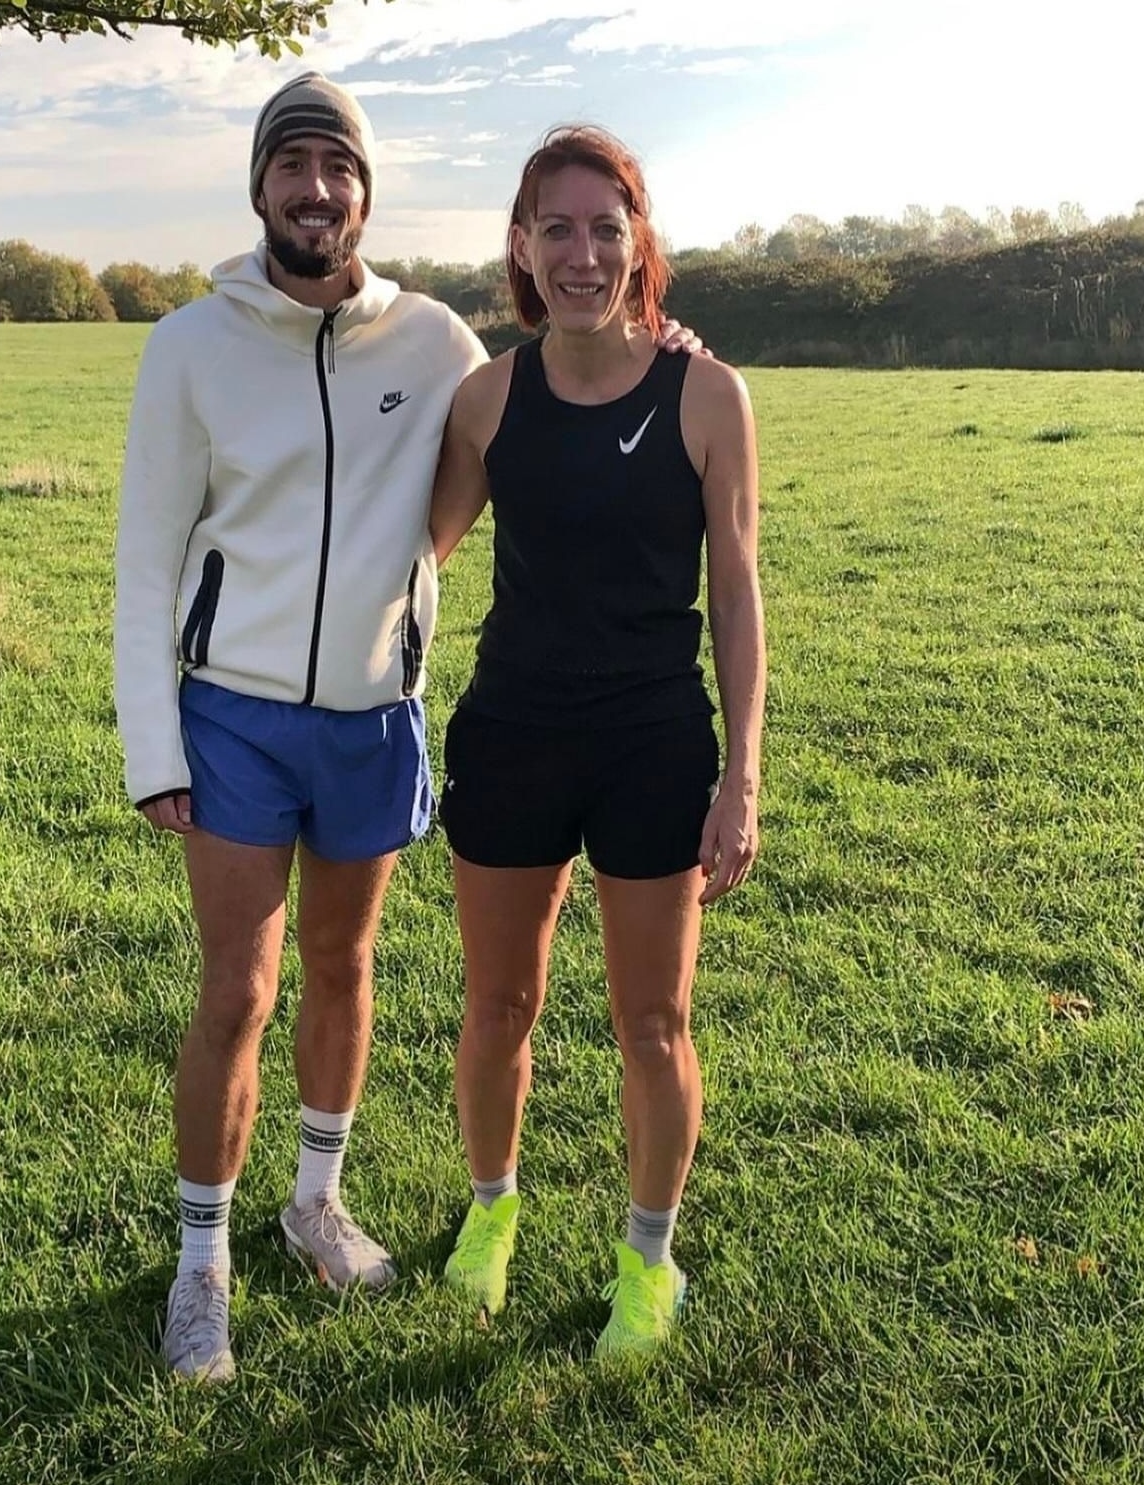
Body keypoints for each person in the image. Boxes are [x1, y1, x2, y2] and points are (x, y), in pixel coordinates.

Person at [115, 72, 701, 1383]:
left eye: (339, 167)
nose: (316, 189)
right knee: (237, 993)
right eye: (293, 165)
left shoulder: (435, 342)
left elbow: (560, 387)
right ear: (260, 186)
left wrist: (666, 344)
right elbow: (146, 561)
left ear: (368, 193)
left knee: (344, 968)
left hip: (374, 719)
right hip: (234, 715)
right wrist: (154, 746)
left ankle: (315, 1203)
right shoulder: (189, 347)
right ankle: (202, 1264)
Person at [429, 126, 765, 1360]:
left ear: (639, 243)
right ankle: (491, 1214)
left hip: (651, 743)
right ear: (521, 246)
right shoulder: (488, 398)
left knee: (653, 1025)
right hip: (513, 732)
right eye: (556, 229)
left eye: (604, 229)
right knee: (498, 1004)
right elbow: (416, 556)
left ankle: (648, 1260)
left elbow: (737, 593)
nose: (581, 254)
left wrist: (741, 775)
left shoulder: (707, 395)